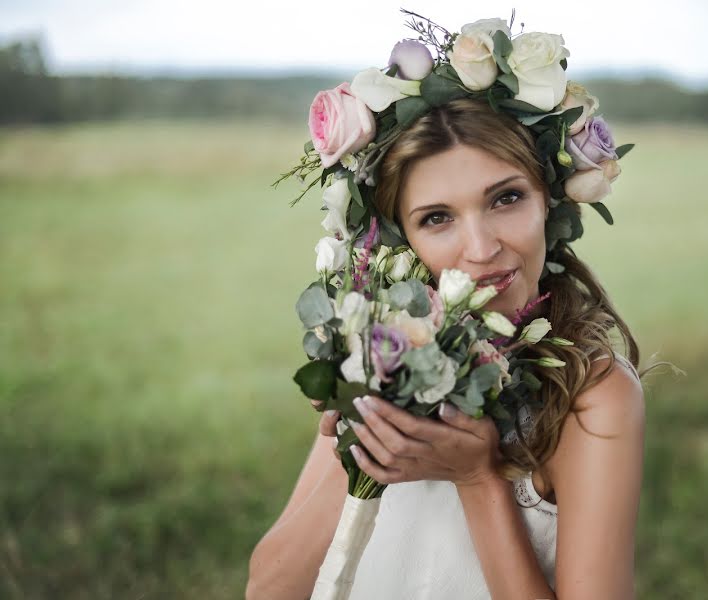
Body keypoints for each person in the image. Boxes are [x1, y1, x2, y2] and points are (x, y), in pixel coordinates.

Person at [247, 95, 650, 599]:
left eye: (506, 198)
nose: (482, 249)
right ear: (399, 240)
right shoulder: (378, 358)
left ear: (548, 199)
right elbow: (270, 589)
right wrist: (364, 419)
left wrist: (479, 479)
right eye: (437, 218)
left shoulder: (592, 396)